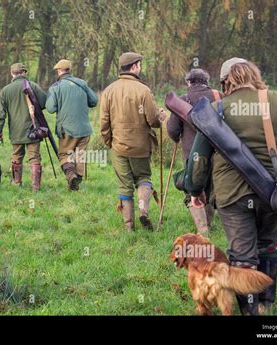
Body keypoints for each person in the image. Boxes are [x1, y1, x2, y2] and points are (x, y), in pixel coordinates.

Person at [185, 58, 277, 315]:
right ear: (255, 75)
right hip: (275, 194)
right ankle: (265, 307)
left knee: (242, 255)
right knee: (268, 246)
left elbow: (199, 158)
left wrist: (195, 190)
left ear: (225, 82)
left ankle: (249, 312)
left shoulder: (216, 108)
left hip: (232, 196)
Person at [100, 52, 166, 231]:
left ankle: (129, 228)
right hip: (140, 146)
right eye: (139, 64)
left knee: (124, 185)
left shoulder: (109, 91)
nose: (140, 68)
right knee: (144, 178)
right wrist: (160, 117)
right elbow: (153, 120)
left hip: (118, 146)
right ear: (134, 67)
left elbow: (104, 123)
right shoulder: (143, 90)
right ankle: (143, 210)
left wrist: (109, 143)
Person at [167, 68, 220, 235]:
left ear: (188, 82)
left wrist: (176, 136)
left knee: (193, 186)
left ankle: (203, 228)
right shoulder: (219, 97)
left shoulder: (183, 100)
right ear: (206, 82)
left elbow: (173, 130)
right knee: (211, 186)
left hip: (192, 153)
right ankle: (209, 223)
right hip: (218, 151)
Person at [46, 59, 98, 191]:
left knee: (64, 155)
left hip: (67, 129)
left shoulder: (56, 87)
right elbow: (94, 101)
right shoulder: (82, 83)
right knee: (80, 155)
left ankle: (71, 175)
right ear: (70, 70)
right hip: (85, 129)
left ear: (59, 71)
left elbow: (50, 108)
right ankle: (76, 181)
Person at [0, 63, 47, 191]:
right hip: (33, 130)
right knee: (34, 156)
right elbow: (45, 103)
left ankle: (17, 183)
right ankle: (35, 187)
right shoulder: (33, 86)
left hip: (16, 131)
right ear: (24, 72)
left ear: (12, 74)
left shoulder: (5, 90)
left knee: (16, 156)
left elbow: (1, 114)